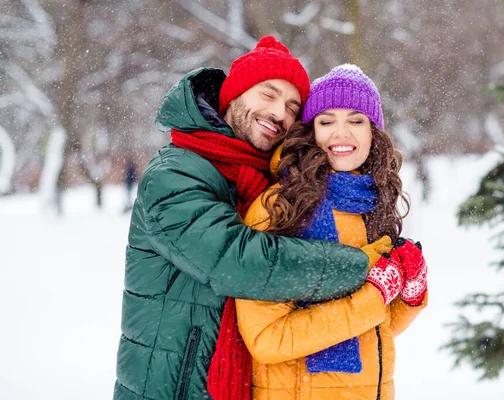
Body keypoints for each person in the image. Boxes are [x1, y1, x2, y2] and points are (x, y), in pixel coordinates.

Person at [113, 38, 396, 400]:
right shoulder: (175, 174)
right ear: (234, 95)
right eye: (269, 94)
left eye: (293, 106)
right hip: (173, 388)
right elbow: (240, 262)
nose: (280, 112)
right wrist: (364, 269)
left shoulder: (274, 181)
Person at [236, 64, 429, 400]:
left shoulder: (369, 204)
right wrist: (374, 294)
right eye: (327, 122)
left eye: (356, 120)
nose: (342, 133)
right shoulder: (279, 210)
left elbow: (369, 331)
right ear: (310, 132)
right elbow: (268, 338)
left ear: (374, 132)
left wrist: (409, 298)